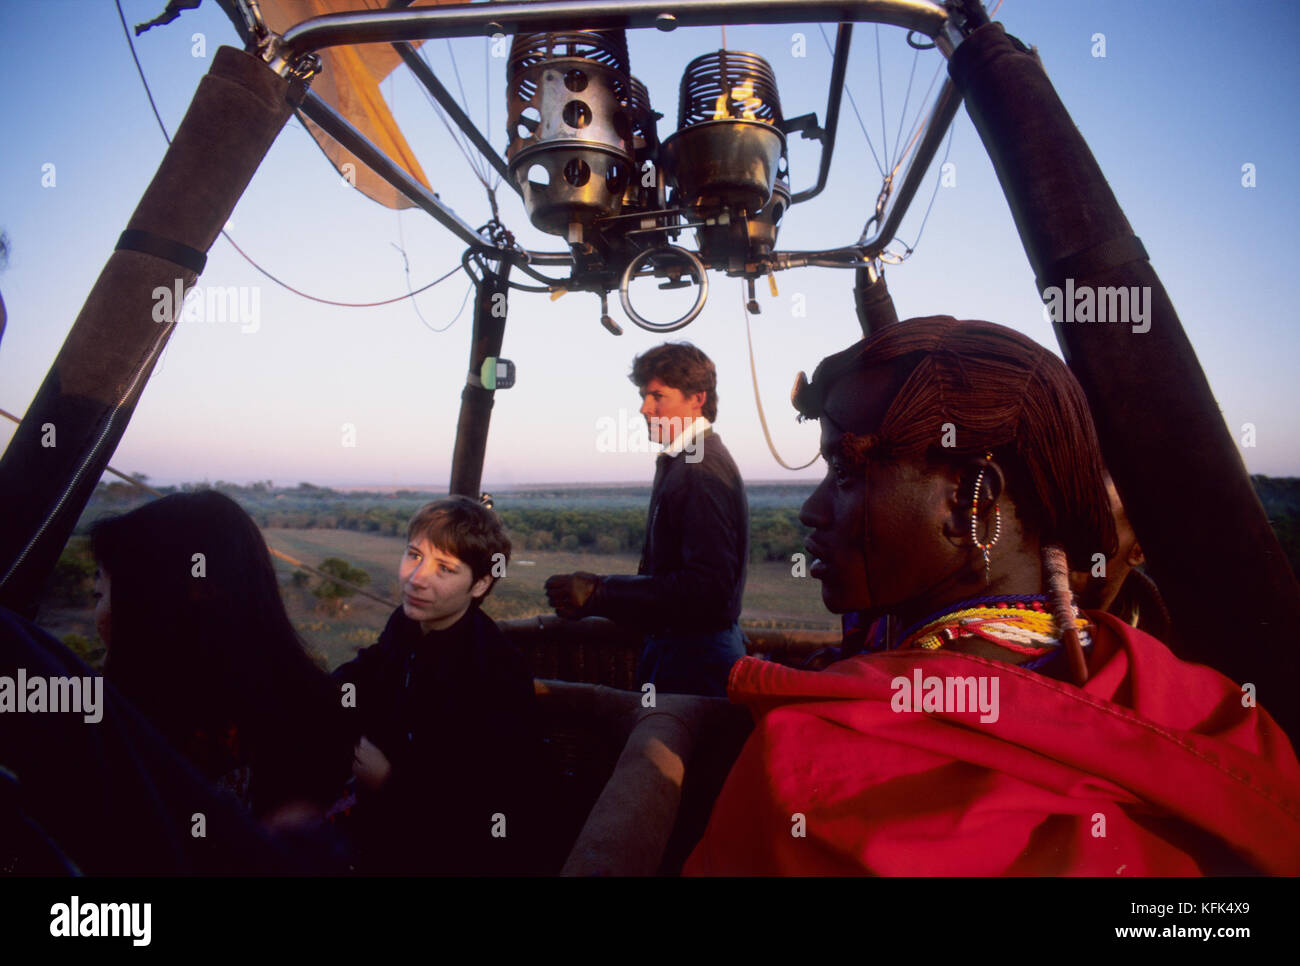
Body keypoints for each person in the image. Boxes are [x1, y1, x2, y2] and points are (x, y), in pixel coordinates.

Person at [685, 316, 1300, 875]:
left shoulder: (804, 765)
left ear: (972, 500)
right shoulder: (1223, 716)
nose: (812, 510)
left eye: (845, 474)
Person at [89, 490, 353, 828]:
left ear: (157, 608)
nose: (98, 613)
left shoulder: (127, 730)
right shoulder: (309, 706)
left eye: (102, 595)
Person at [331, 496, 542, 874]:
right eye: (414, 555)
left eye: (444, 568)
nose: (416, 579)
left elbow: (485, 805)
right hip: (386, 831)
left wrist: (385, 775)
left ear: (479, 584)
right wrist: (315, 694)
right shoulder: (407, 624)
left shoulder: (495, 671)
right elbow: (368, 670)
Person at [545, 342, 749, 697]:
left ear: (697, 398)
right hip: (684, 650)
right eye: (643, 396)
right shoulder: (686, 460)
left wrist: (601, 592)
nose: (644, 408)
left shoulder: (699, 469)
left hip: (696, 659)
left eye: (658, 396)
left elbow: (708, 591)